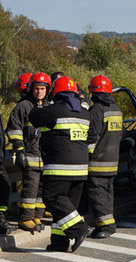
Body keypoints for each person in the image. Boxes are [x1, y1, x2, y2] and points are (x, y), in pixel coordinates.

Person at [29, 76, 93, 252]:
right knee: (65, 209)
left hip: (59, 168)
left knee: (52, 199)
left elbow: (33, 116)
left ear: (55, 92)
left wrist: (42, 104)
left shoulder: (54, 111)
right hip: (81, 169)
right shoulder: (85, 113)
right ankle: (59, 243)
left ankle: (79, 228)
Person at [7, 72, 51, 232]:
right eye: (36, 88)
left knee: (40, 190)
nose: (39, 91)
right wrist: (19, 151)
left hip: (45, 156)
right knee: (30, 189)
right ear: (31, 89)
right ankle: (25, 218)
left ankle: (37, 216)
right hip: (30, 155)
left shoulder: (48, 107)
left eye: (42, 88)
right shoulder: (23, 106)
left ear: (47, 90)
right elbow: (13, 129)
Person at [85, 75, 123, 238]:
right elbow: (120, 135)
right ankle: (108, 222)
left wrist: (85, 155)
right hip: (113, 161)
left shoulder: (96, 110)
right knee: (107, 193)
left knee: (97, 192)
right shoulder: (116, 110)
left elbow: (92, 138)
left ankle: (105, 226)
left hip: (98, 162)